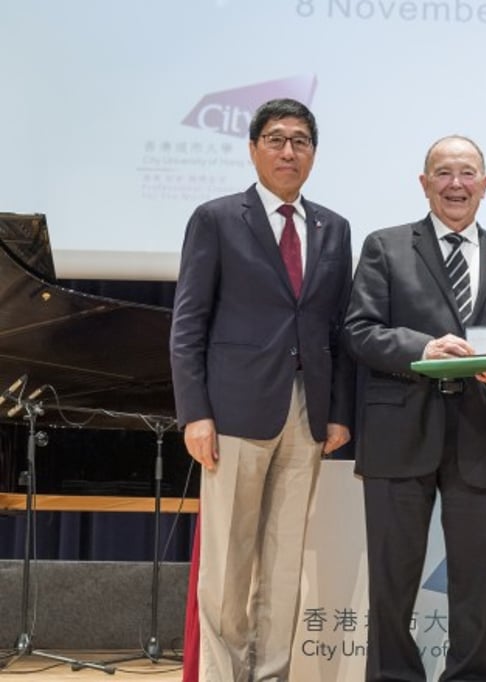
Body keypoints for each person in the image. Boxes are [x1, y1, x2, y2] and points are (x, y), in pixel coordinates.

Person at [344, 135, 486, 681]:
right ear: (424, 182)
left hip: (481, 433)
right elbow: (359, 331)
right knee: (393, 579)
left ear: (485, 184)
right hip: (399, 433)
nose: (455, 184)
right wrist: (423, 350)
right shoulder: (385, 247)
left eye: (467, 174)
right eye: (443, 173)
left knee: (476, 580)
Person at [170, 97, 355, 682]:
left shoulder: (333, 227)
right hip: (231, 413)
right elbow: (188, 324)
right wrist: (194, 413)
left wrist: (338, 412)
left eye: (300, 141)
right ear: (253, 149)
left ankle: (271, 673)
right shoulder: (217, 218)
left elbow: (336, 328)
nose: (288, 151)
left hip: (307, 415)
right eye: (275, 139)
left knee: (282, 562)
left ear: (313, 154)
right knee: (228, 565)